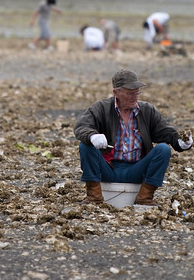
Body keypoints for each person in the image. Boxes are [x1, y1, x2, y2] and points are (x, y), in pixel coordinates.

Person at [74, 69, 192, 206]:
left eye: (137, 93)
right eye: (130, 93)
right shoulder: (101, 108)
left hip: (136, 169)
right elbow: (81, 127)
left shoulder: (147, 110)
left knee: (163, 149)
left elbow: (165, 132)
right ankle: (94, 197)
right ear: (116, 93)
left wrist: (180, 142)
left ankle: (145, 197)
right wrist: (92, 136)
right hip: (108, 168)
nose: (134, 97)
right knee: (85, 146)